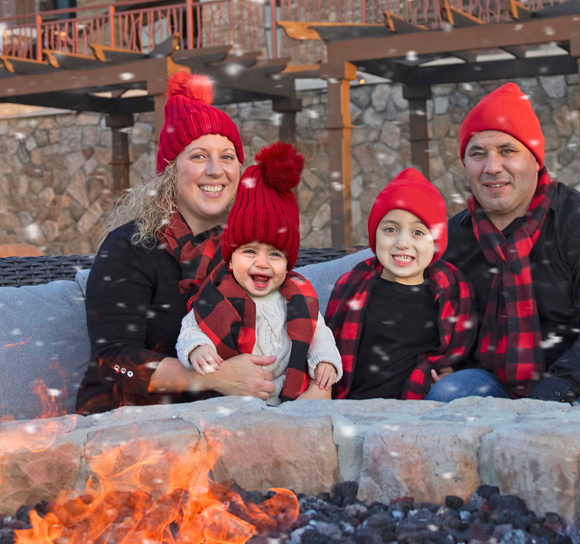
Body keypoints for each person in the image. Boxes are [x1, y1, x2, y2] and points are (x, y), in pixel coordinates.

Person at [426, 82, 580, 404]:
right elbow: (424, 320)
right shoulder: (452, 240)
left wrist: (543, 403)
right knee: (451, 391)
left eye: (507, 151)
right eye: (478, 153)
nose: (492, 167)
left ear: (535, 159)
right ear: (465, 164)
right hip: (491, 384)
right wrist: (436, 364)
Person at [76, 72, 277, 415]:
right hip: (126, 426)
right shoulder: (129, 248)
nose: (216, 170)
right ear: (171, 170)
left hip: (227, 425)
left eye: (227, 156)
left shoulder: (250, 252)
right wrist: (211, 378)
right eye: (198, 156)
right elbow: (114, 363)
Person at [176, 142, 343, 405]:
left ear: (288, 266)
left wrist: (325, 361)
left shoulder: (298, 298)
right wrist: (197, 348)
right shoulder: (219, 296)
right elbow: (191, 328)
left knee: (316, 403)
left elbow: (318, 332)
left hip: (290, 396)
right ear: (230, 260)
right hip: (236, 397)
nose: (262, 263)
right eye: (250, 252)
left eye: (275, 254)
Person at [325, 168, 476, 400]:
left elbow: (462, 350)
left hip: (414, 410)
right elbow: (326, 343)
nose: (402, 243)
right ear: (375, 236)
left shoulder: (451, 292)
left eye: (417, 232)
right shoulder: (352, 286)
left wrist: (453, 371)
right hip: (353, 406)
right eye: (390, 229)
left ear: (435, 243)